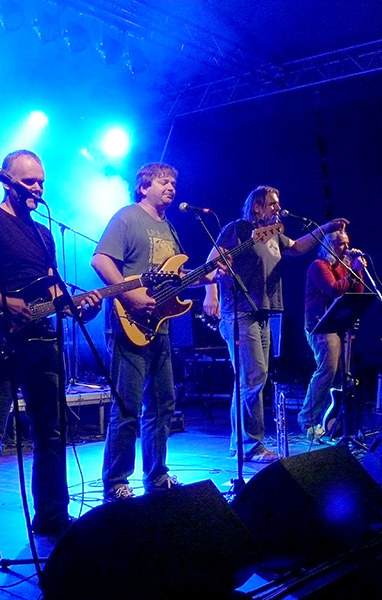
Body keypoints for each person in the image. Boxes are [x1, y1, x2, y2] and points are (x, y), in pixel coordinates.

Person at [0, 150, 101, 570]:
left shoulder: (43, 235)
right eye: (29, 181)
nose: (37, 188)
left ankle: (52, 516)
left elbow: (52, 291)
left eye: (41, 182)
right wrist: (3, 301)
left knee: (51, 431)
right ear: (7, 180)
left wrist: (79, 306)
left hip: (40, 340)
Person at [203, 185, 348, 463]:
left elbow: (297, 247)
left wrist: (325, 228)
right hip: (239, 312)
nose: (278, 207)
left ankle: (242, 443)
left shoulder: (272, 234)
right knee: (253, 377)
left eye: (278, 202)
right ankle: (250, 445)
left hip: (262, 314)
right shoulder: (238, 229)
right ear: (256, 206)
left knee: (252, 378)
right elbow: (212, 262)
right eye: (272, 203)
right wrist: (211, 295)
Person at [92, 162, 203, 502]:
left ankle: (156, 475)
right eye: (163, 181)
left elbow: (173, 278)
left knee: (163, 403)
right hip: (129, 323)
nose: (171, 187)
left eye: (173, 182)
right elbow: (100, 260)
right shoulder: (127, 217)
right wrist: (130, 296)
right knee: (127, 405)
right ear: (143, 187)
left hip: (160, 326)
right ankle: (115, 481)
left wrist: (208, 276)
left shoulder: (169, 228)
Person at [297, 229, 366, 440]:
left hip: (339, 325)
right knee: (327, 370)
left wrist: (357, 271)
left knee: (341, 375)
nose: (347, 248)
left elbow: (357, 292)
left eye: (347, 243)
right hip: (321, 327)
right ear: (329, 245)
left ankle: (335, 421)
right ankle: (306, 419)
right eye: (341, 244)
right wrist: (353, 272)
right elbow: (334, 290)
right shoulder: (319, 266)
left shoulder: (343, 266)